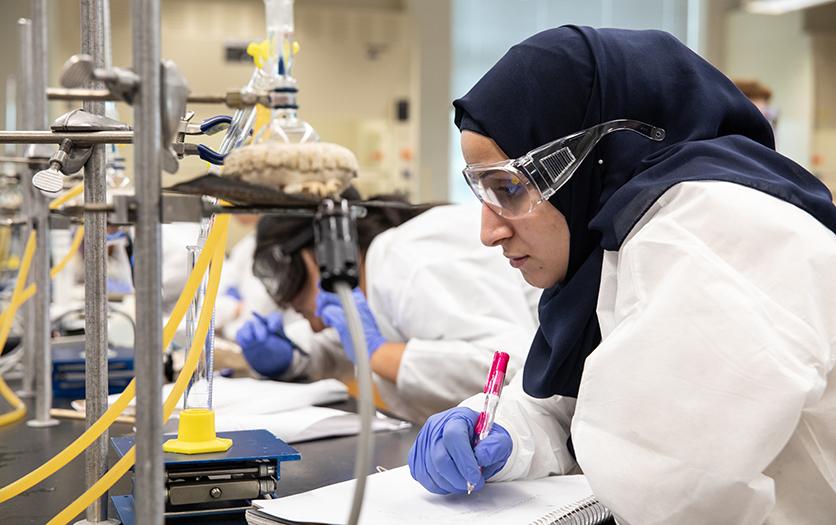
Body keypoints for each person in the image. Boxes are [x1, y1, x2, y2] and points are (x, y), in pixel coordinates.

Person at [407, 26, 836, 525]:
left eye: (508, 188)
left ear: (600, 159)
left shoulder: (704, 231)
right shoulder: (612, 242)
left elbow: (678, 494)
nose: (489, 232)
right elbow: (574, 408)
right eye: (482, 191)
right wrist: (503, 432)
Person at [234, 195, 540, 423]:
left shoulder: (403, 261)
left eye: (288, 277)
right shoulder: (377, 277)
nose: (289, 301)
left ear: (329, 250)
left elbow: (510, 367)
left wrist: (377, 354)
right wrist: (290, 358)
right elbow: (345, 345)